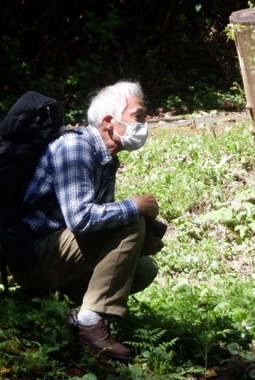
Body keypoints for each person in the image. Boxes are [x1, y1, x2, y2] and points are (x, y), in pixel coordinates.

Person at [9, 81, 163, 360]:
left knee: (144, 269)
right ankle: (89, 322)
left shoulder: (106, 158)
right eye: (138, 116)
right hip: (33, 261)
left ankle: (76, 308)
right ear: (109, 121)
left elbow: (99, 228)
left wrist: (140, 243)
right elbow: (81, 219)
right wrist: (134, 206)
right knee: (130, 218)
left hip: (56, 258)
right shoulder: (75, 146)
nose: (145, 123)